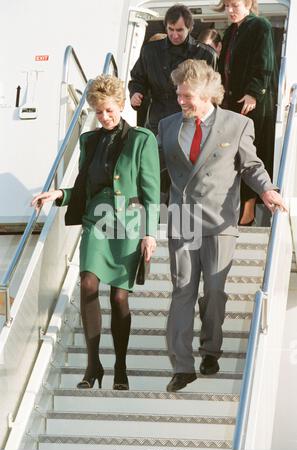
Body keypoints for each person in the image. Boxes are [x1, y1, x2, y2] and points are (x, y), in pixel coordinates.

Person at [157, 59, 286, 392]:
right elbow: (152, 169)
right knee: (182, 290)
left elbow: (251, 166)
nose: (180, 101)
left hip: (220, 219)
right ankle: (182, 367)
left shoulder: (237, 124)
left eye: (186, 96)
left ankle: (211, 348)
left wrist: (268, 190)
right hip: (182, 218)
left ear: (206, 93)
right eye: (178, 95)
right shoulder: (167, 126)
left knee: (214, 291)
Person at [31, 75, 160, 391]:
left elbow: (151, 192)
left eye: (109, 109)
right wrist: (58, 194)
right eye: (99, 111)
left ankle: (120, 366)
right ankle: (92, 365)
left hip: (128, 223)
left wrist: (150, 233)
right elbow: (84, 188)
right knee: (88, 283)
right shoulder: (90, 141)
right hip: (96, 221)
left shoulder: (142, 139)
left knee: (119, 298)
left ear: (120, 104)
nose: (105, 116)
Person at [217, 0, 277, 226]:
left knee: (251, 154)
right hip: (232, 104)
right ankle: (238, 208)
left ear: (249, 4)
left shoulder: (260, 25)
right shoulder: (230, 31)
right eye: (227, 6)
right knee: (233, 156)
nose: (230, 10)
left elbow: (265, 63)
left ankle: (249, 210)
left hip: (253, 104)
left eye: (235, 5)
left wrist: (253, 93)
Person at [129, 3, 217, 135]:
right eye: (171, 29)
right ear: (166, 27)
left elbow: (213, 90)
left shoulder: (206, 54)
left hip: (191, 120)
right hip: (157, 119)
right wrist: (136, 92)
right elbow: (138, 78)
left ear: (190, 28)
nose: (175, 35)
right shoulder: (150, 51)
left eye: (179, 30)